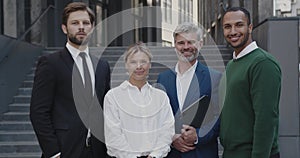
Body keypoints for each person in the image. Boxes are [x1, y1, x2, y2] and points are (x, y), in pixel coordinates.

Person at [30, 2, 110, 158]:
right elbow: (38, 112)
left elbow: (105, 109)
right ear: (64, 28)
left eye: (86, 23)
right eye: (75, 23)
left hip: (98, 151)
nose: (81, 27)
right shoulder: (50, 63)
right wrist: (53, 152)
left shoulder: (102, 66)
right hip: (64, 151)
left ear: (92, 28)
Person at [220, 7, 281, 158]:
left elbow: (265, 119)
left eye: (239, 25)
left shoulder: (262, 63)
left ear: (250, 27)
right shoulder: (232, 64)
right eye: (228, 27)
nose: (233, 31)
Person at [157, 22, 222, 158]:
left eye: (191, 42)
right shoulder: (163, 79)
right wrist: (172, 138)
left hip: (202, 153)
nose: (186, 47)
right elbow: (158, 118)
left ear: (200, 44)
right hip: (172, 154)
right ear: (174, 45)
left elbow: (218, 117)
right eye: (181, 43)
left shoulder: (215, 77)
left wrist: (197, 135)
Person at [104, 42, 175, 158]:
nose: (139, 66)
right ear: (126, 65)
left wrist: (155, 155)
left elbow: (167, 131)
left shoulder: (161, 97)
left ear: (150, 64)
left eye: (143, 61)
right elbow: (113, 136)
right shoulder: (113, 97)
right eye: (133, 62)